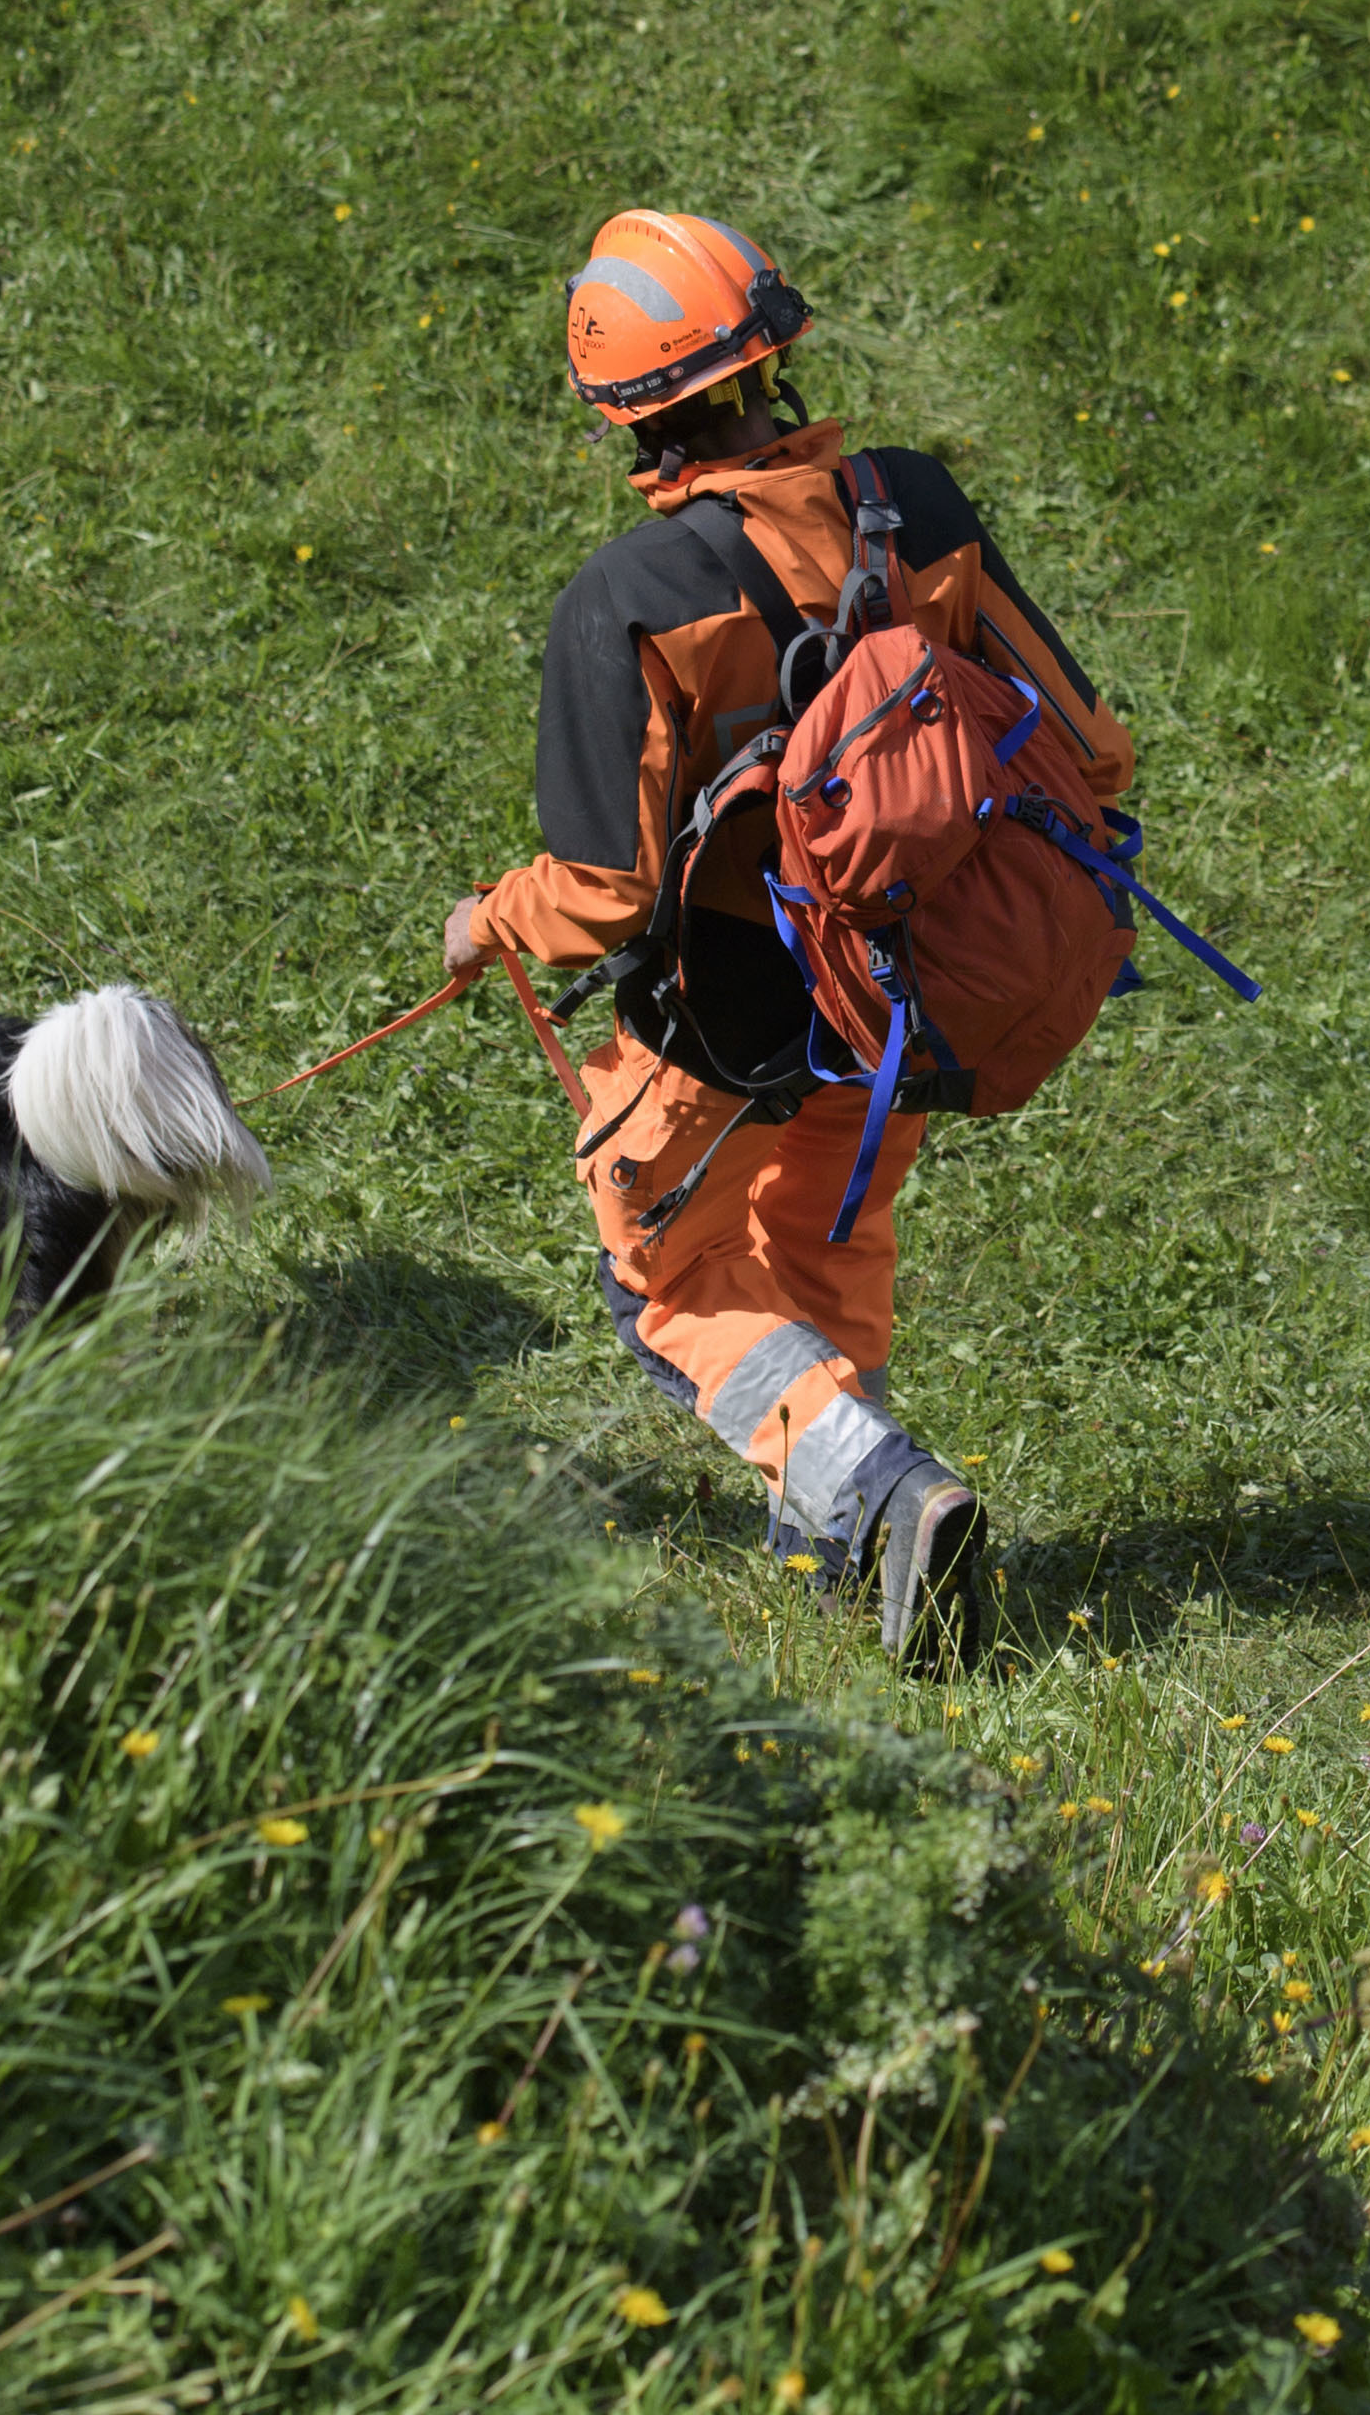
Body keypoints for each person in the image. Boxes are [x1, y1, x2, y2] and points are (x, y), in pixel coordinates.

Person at [444, 209, 1131, 1669]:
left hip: (725, 1018)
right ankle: (830, 1553)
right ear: (771, 361)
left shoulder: (630, 601)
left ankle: (874, 1490)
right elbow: (1090, 748)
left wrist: (486, 917)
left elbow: (605, 892)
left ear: (627, 415)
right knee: (825, 1241)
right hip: (896, 996)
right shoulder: (917, 509)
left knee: (665, 1278)